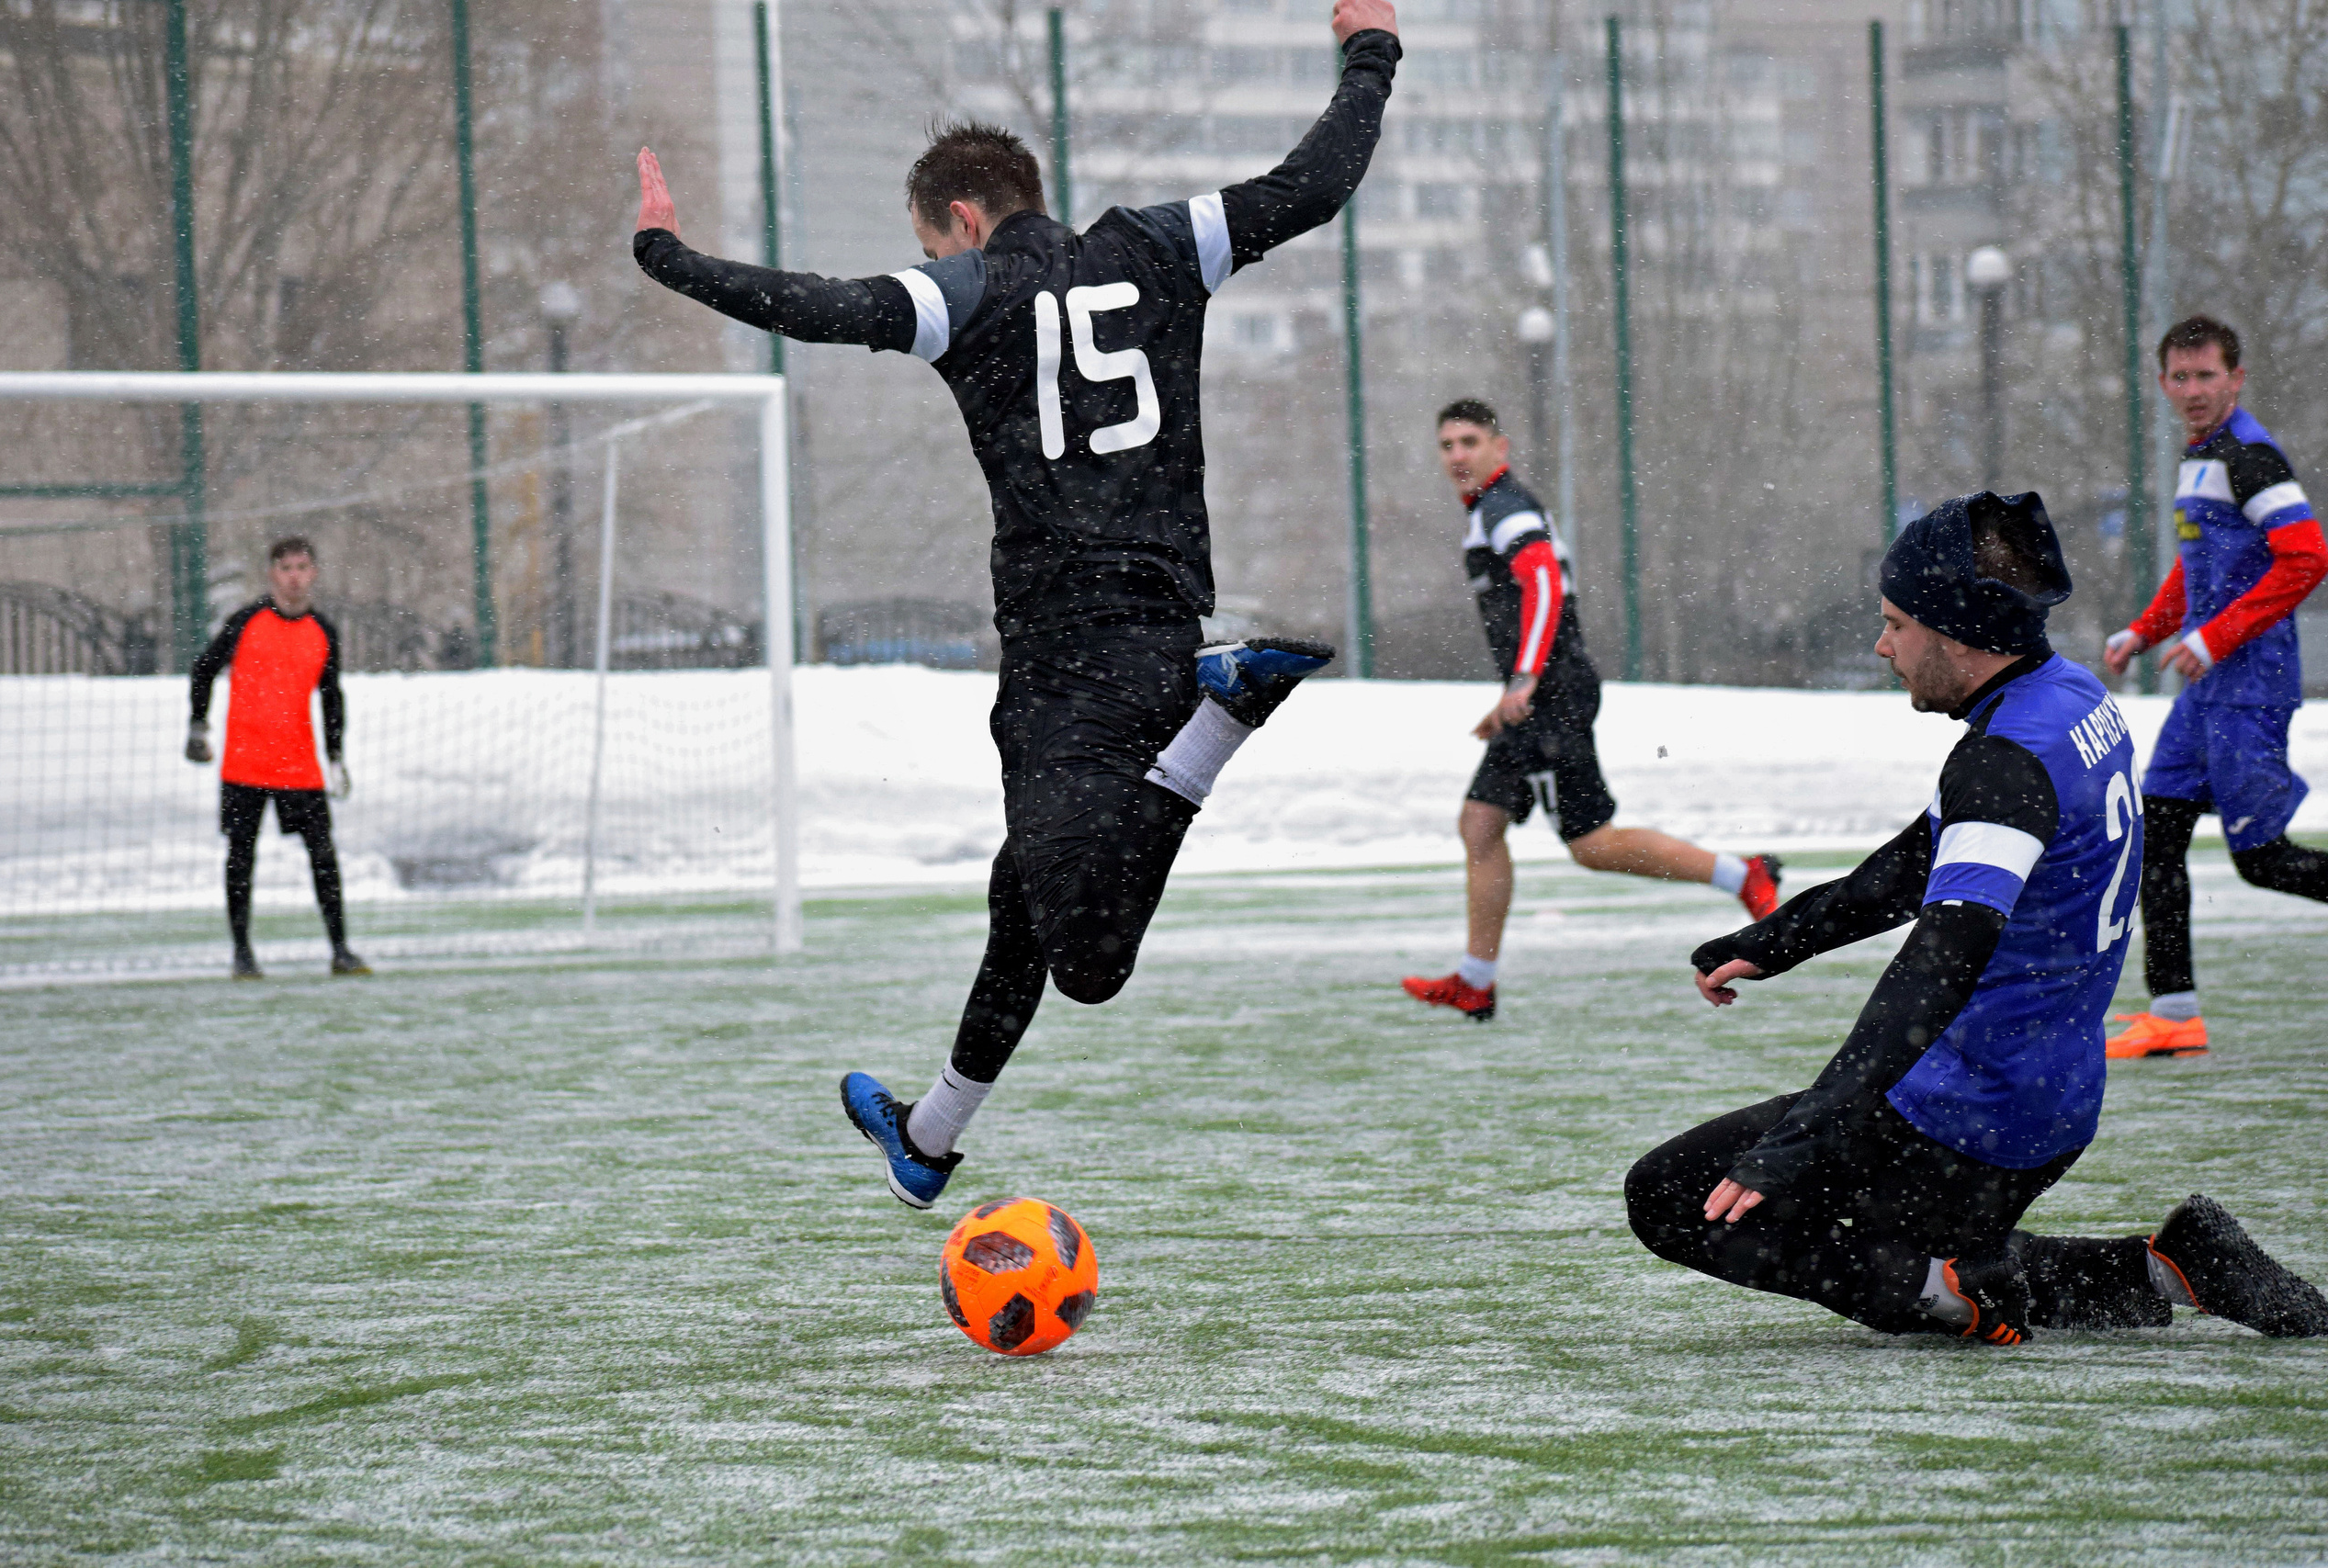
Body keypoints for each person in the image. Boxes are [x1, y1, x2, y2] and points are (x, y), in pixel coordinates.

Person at [632, 1, 1403, 1207]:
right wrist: (1370, 57)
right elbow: (1313, 183)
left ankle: (1231, 716)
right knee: (1022, 902)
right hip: (1158, 627)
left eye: (934, 241)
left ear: (962, 218)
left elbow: (815, 304)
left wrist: (668, 258)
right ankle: (928, 1137)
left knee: (1090, 957)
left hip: (1061, 660)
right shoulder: (1161, 243)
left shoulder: (971, 291)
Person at [1624, 491, 2327, 1344]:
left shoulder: (1999, 763)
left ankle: (1962, 1295)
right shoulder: (2064, 694)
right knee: (1930, 1238)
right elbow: (1920, 859)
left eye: (1894, 624)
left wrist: (1803, 1137)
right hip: (2049, 1099)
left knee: (1669, 1195)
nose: (1883, 645)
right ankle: (2169, 1265)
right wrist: (1775, 942)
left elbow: (1934, 971)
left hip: (1963, 1118)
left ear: (1955, 633)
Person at [1400, 400, 1782, 1021]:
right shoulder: (1490, 512)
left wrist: (1524, 680)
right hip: (1540, 697)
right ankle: (1476, 979)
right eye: (1446, 445)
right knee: (1479, 824)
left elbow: (1545, 584)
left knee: (1591, 843)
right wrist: (1509, 697)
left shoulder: (1505, 508)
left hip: (1552, 697)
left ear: (1502, 446)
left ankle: (1742, 874)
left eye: (1470, 441)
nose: (1457, 456)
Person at [2101, 315, 2328, 1060]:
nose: (2193, 389)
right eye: (2180, 376)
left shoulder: (2252, 457)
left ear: (2236, 378)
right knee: (2155, 833)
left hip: (2248, 689)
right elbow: (2197, 568)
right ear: (2163, 382)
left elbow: (2305, 558)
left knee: (2260, 858)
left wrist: (2212, 637)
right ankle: (2174, 1011)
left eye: (2207, 376)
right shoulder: (2200, 455)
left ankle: (2174, 1008)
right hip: (2203, 693)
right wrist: (2148, 628)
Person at [186, 536, 367, 980]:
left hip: (299, 766)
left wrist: (336, 755)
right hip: (244, 765)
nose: (295, 576)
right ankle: (243, 954)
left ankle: (341, 950)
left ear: (314, 573)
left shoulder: (322, 630)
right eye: (286, 568)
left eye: (303, 567)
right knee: (241, 858)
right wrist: (197, 725)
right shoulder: (246, 622)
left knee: (323, 856)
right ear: (272, 573)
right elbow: (204, 668)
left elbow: (330, 695)